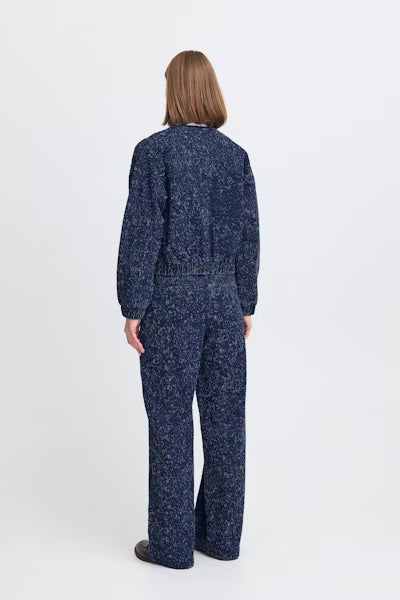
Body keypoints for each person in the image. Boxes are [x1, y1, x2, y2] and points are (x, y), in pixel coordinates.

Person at [117, 50, 260, 569]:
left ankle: (172, 545)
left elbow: (142, 233)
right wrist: (244, 300)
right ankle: (220, 538)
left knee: (171, 422)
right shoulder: (235, 156)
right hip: (224, 300)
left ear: (174, 91)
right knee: (226, 423)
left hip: (172, 301)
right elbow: (249, 234)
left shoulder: (154, 152)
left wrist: (133, 303)